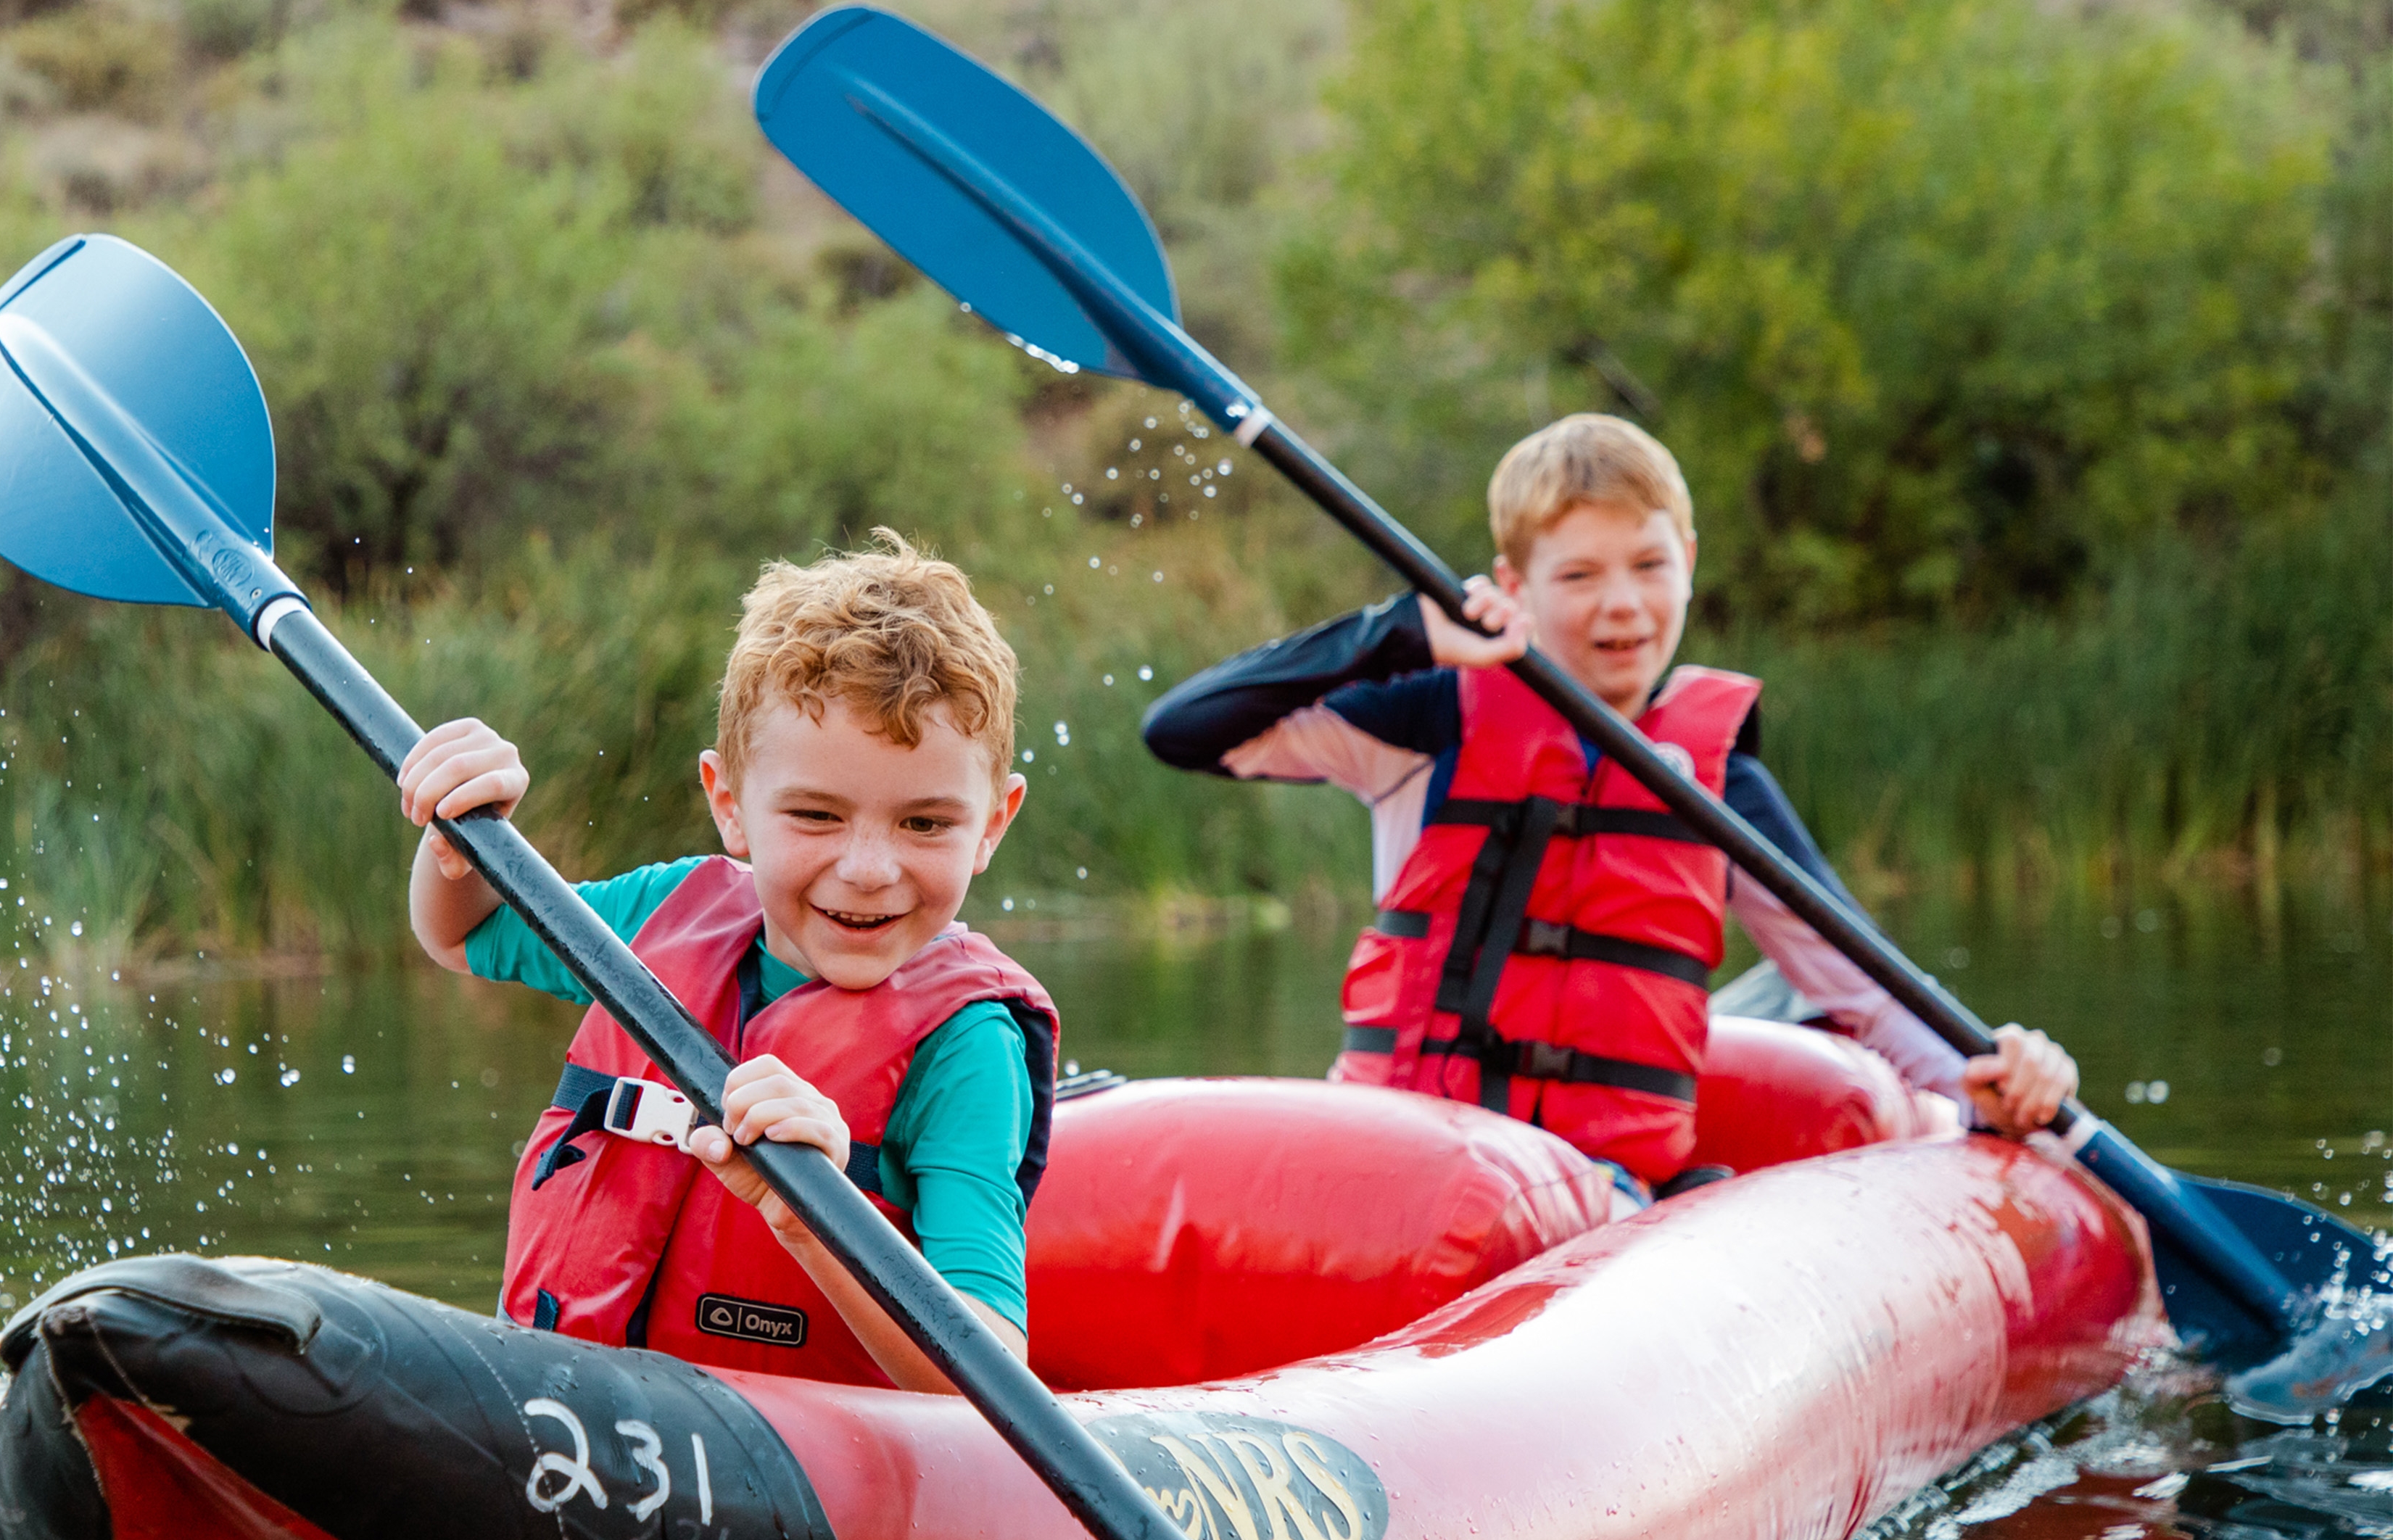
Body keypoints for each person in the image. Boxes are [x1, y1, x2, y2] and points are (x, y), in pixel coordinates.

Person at [1141, 413, 2074, 1202]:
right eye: (1579, 576)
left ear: (1690, 564)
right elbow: (1183, 730)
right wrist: (1395, 634)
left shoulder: (1721, 785)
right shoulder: (1426, 720)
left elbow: (1863, 993)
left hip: (1595, 1201)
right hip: (1399, 1163)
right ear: (1513, 589)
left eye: (1648, 565)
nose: (1622, 605)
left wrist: (1993, 1078)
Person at [400, 531, 1056, 1393]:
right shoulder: (667, 915)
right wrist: (459, 837)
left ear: (992, 826)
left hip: (803, 1481)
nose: (867, 868)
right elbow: (460, 934)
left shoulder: (968, 1047)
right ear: (729, 805)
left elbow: (994, 1374)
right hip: (561, 1405)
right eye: (816, 816)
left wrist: (811, 1216)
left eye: (925, 824)